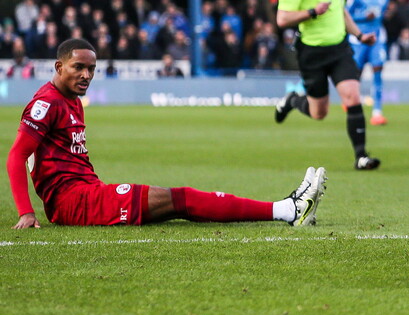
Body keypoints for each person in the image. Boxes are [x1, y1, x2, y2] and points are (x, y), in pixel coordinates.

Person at [7, 39, 325, 228]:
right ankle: (287, 210)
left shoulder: (72, 100)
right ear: (58, 66)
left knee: (178, 200)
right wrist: (26, 212)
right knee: (179, 199)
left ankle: (286, 209)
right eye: (78, 67)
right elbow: (16, 155)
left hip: (87, 193)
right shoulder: (46, 103)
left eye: (92, 69)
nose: (87, 75)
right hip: (75, 203)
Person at [273, 0, 381, 170]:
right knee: (318, 112)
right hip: (311, 52)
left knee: (353, 96)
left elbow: (340, 11)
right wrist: (312, 12)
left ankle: (361, 156)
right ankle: (292, 100)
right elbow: (282, 19)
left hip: (339, 49)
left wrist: (360, 34)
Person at [346, 0, 390, 125]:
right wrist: (363, 17)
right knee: (356, 72)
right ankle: (351, 101)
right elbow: (346, 14)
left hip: (376, 39)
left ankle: (377, 112)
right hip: (359, 39)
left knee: (378, 70)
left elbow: (382, 15)